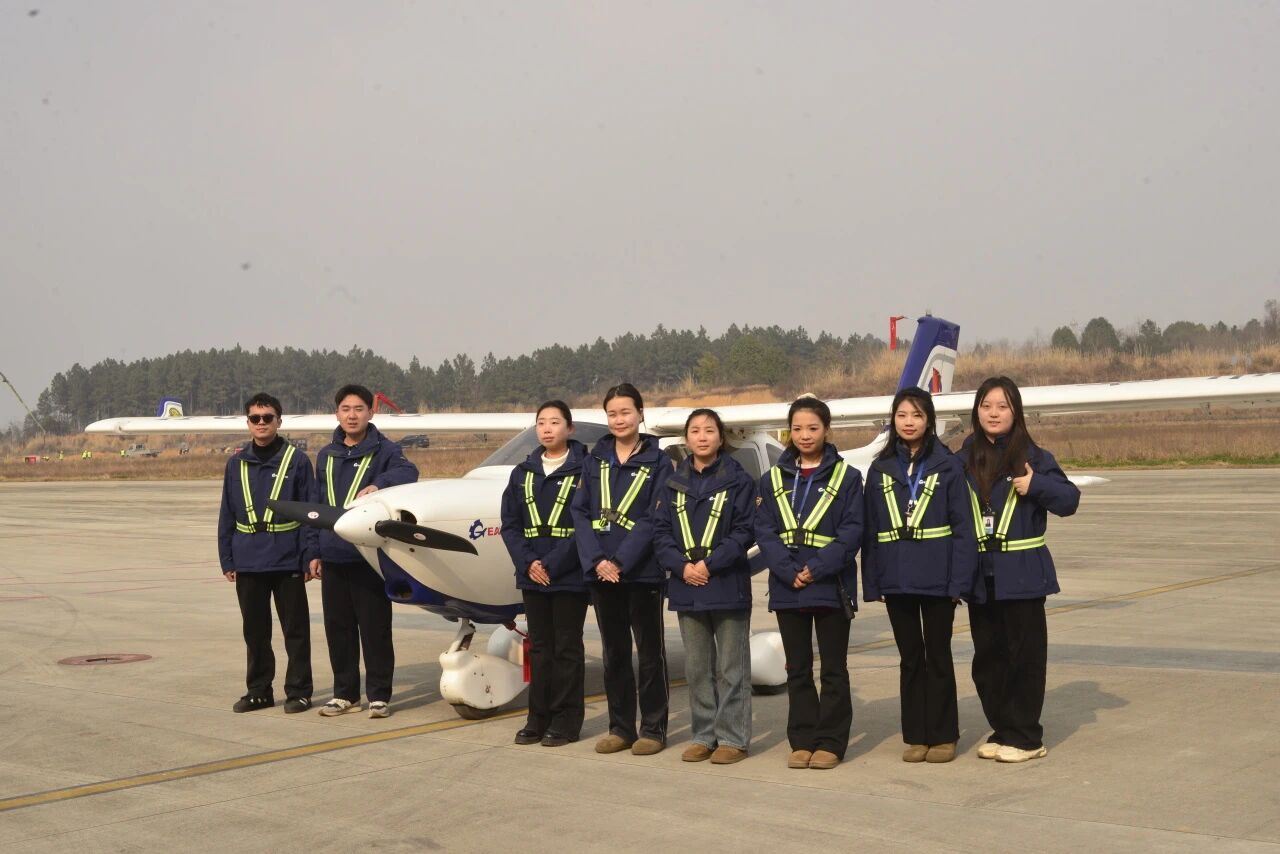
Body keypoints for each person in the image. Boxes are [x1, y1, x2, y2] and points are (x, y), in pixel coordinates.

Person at [959, 376, 1080, 763]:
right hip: (981, 577)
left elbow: (1069, 500)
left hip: (1023, 574)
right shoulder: (963, 458)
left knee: (1024, 658)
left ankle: (1027, 737)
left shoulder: (1034, 457)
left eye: (1002, 406)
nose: (993, 414)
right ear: (976, 411)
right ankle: (1003, 728)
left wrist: (1036, 485)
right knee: (987, 660)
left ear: (1016, 412)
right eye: (986, 406)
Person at [861, 387, 976, 763]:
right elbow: (871, 529)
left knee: (938, 656)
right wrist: (873, 582)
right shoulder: (880, 470)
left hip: (939, 579)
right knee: (910, 658)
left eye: (917, 415)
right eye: (902, 415)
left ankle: (943, 735)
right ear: (893, 421)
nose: (908, 422)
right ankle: (916, 735)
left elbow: (963, 529)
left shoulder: (948, 467)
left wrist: (959, 582)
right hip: (897, 579)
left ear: (929, 421)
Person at [755, 396, 864, 770]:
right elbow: (764, 530)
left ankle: (831, 741)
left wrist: (815, 568)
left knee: (833, 668)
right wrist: (788, 570)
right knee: (797, 668)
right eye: (797, 428)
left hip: (829, 585)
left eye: (813, 428)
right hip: (788, 586)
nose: (804, 435)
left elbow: (852, 531)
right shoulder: (772, 479)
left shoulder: (848, 478)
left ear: (826, 430)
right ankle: (802, 739)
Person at [571, 383, 673, 756]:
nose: (619, 420)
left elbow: (655, 516)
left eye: (626, 412)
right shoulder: (594, 460)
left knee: (649, 653)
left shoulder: (659, 461)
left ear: (640, 414)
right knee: (614, 653)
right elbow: (580, 512)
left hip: (641, 571)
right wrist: (598, 560)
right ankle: (620, 727)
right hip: (602, 573)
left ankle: (653, 729)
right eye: (612, 414)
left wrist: (621, 561)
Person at [653, 408, 757, 765]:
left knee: (731, 668)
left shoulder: (739, 481)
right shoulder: (672, 483)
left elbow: (744, 531)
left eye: (709, 430)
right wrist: (682, 567)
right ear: (686, 438)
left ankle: (733, 738)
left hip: (726, 582)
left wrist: (709, 565)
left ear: (720, 437)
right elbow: (660, 532)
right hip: (687, 584)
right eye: (695, 430)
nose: (702, 436)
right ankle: (703, 735)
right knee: (697, 668)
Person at [313, 384, 419, 719]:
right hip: (333, 553)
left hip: (369, 556)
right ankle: (344, 694)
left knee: (375, 628)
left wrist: (379, 485)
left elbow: (409, 472)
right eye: (346, 409)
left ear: (371, 413)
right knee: (338, 628)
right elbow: (317, 504)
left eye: (359, 409)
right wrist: (314, 551)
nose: (352, 415)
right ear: (337, 414)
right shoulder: (326, 455)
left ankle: (378, 695)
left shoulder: (385, 450)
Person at [217, 392, 318, 714]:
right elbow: (227, 512)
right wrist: (227, 558)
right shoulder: (235, 464)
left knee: (295, 631)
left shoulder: (297, 461)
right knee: (255, 632)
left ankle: (299, 691)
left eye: (267, 417)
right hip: (248, 560)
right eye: (255, 418)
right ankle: (259, 690)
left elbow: (310, 513)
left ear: (279, 421)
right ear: (248, 422)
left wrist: (309, 555)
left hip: (287, 557)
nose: (261, 423)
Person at [499, 401, 590, 747]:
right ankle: (537, 718)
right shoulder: (522, 473)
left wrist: (551, 564)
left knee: (567, 648)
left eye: (555, 422)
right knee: (539, 648)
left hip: (568, 574)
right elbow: (510, 524)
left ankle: (566, 721)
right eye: (541, 423)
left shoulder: (586, 470)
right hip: (532, 574)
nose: (547, 428)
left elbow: (586, 525)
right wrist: (528, 563)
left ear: (570, 428)